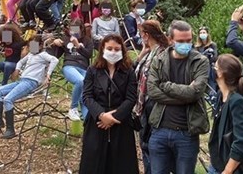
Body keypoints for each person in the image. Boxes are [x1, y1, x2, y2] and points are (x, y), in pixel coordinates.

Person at [147, 20, 211, 174]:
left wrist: (166, 86)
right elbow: (152, 91)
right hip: (159, 130)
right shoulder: (159, 60)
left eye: (188, 41)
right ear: (170, 40)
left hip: (187, 133)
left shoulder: (200, 61)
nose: (186, 44)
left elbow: (195, 93)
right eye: (181, 41)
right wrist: (186, 95)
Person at [78, 33, 138, 174]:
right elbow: (87, 95)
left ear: (122, 50)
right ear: (103, 49)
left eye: (117, 49)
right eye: (109, 48)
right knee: (94, 162)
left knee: (122, 163)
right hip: (96, 122)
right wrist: (101, 115)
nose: (113, 52)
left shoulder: (128, 71)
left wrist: (114, 117)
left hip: (121, 122)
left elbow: (131, 97)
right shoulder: (93, 70)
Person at [0, 35, 59, 139]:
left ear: (40, 46)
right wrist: (17, 70)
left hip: (31, 82)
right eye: (30, 45)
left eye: (34, 45)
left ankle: (10, 129)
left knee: (8, 99)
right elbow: (20, 62)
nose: (32, 48)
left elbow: (55, 60)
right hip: (22, 81)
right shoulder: (30, 55)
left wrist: (48, 74)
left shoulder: (43, 55)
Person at [207, 54, 243, 174]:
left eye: (215, 67)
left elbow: (242, 140)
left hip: (228, 169)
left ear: (220, 73)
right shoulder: (221, 95)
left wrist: (228, 170)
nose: (212, 70)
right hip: (217, 164)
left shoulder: (237, 101)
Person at [134, 20, 171, 174]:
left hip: (153, 105)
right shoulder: (150, 52)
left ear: (146, 35)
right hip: (143, 105)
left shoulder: (161, 54)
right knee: (144, 144)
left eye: (141, 34)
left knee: (150, 146)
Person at [52, 19, 94, 121]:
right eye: (72, 30)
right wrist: (54, 43)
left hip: (84, 68)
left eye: (76, 30)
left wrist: (78, 45)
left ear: (81, 30)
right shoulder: (65, 39)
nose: (74, 32)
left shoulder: (88, 40)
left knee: (85, 96)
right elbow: (55, 55)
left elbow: (89, 55)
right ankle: (73, 108)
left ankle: (87, 122)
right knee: (80, 81)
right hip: (69, 66)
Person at [195, 26, 219, 96]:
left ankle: (214, 100)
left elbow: (215, 58)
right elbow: (196, 58)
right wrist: (204, 54)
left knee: (212, 87)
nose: (202, 34)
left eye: (204, 32)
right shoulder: (197, 47)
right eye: (201, 33)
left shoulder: (212, 45)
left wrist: (210, 54)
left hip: (211, 70)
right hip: (200, 69)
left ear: (207, 34)